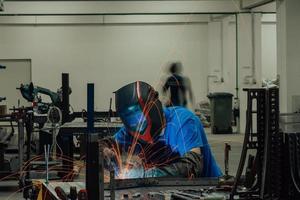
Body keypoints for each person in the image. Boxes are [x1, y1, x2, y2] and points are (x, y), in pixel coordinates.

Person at [101, 81, 221, 178]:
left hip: (209, 190)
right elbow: (105, 144)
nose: (136, 125)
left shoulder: (182, 121)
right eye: (130, 121)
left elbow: (193, 165)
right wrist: (105, 153)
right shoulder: (129, 131)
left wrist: (150, 175)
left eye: (139, 117)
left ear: (152, 107)